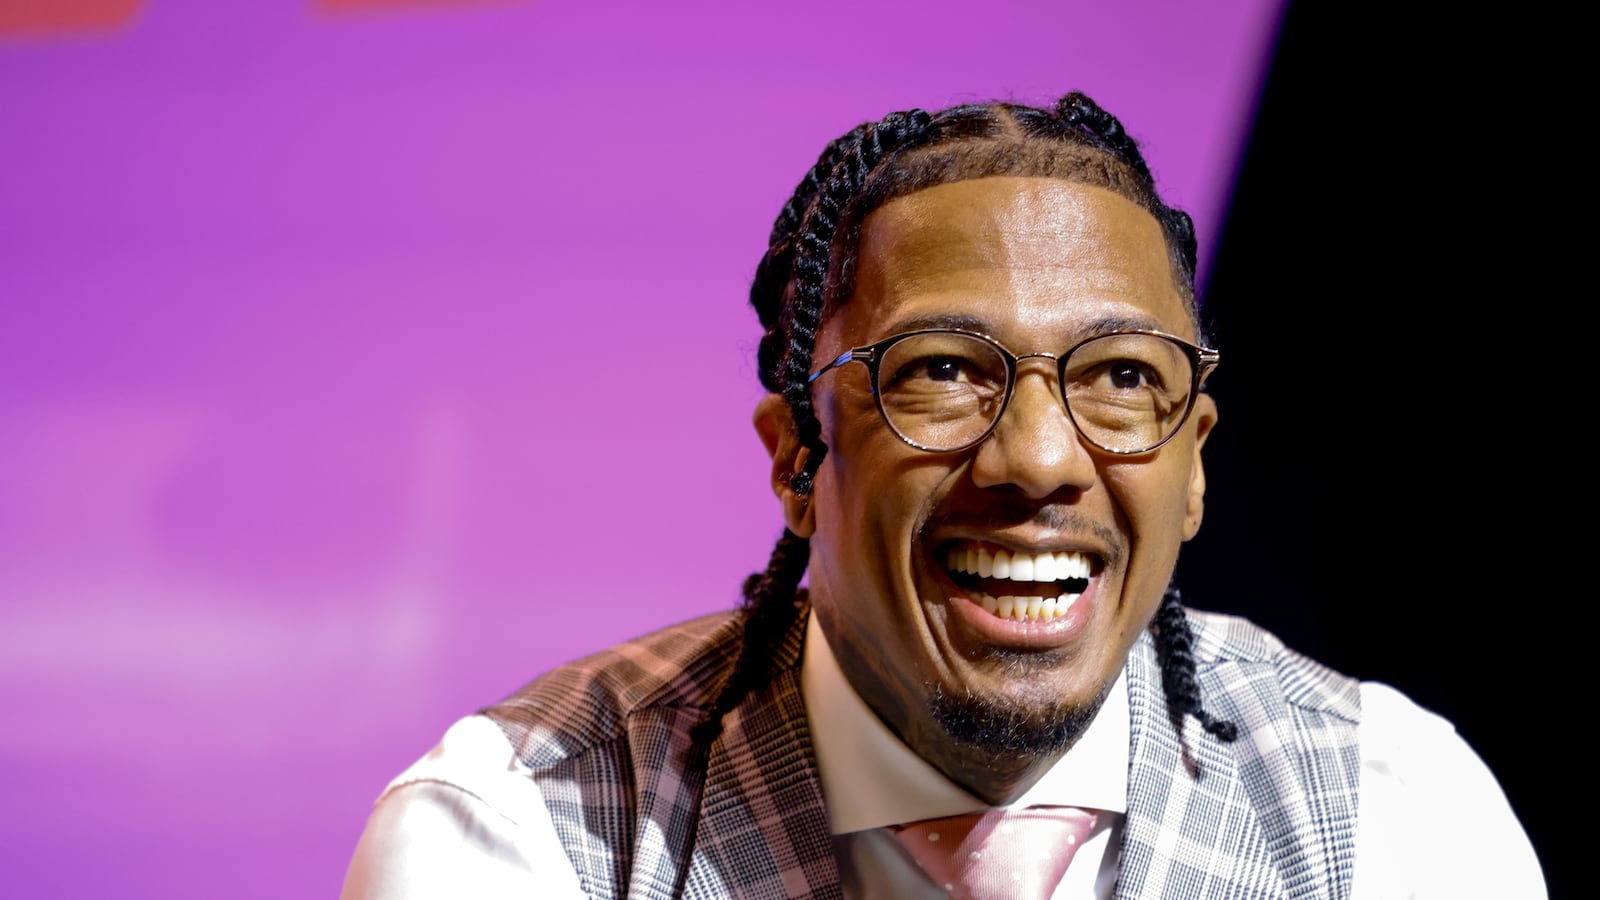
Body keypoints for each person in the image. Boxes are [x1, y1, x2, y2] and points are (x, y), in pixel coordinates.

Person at [339, 91, 1545, 899]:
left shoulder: (1389, 822)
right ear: (796, 460)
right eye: (942, 373)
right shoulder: (527, 839)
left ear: (1194, 466)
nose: (1036, 460)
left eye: (1122, 378)